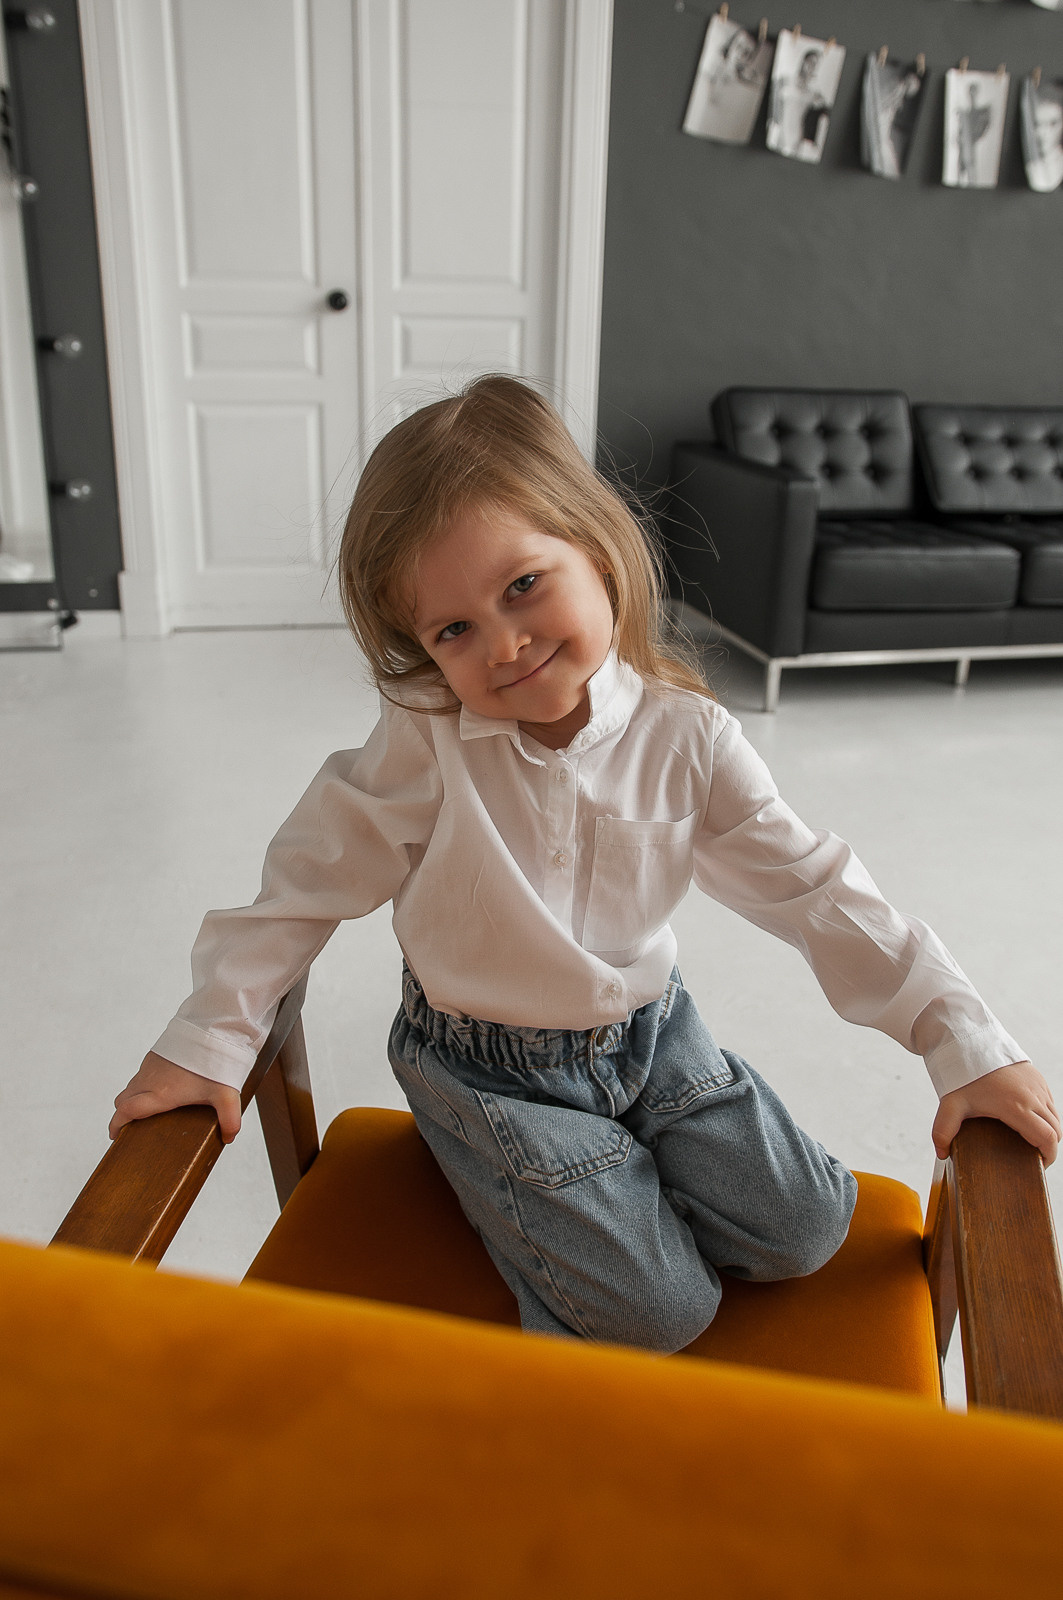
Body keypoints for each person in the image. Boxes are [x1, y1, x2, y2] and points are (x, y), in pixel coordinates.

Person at [110, 375, 1059, 1353]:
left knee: (807, 1229)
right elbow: (302, 883)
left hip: (652, 1037)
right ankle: (503, 1177)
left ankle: (606, 1174)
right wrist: (205, 1043)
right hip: (484, 1067)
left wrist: (965, 1041)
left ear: (598, 551)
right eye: (454, 629)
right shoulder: (428, 735)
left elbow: (816, 889)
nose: (506, 644)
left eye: (523, 585)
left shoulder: (688, 735)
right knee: (665, 1310)